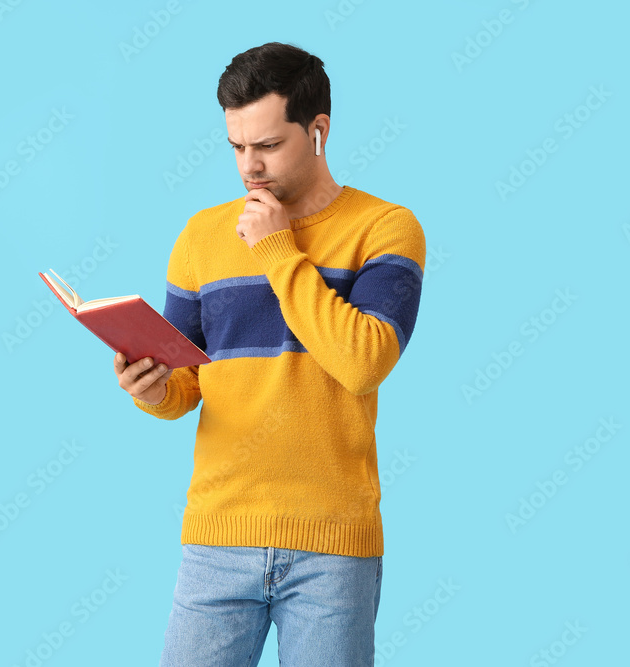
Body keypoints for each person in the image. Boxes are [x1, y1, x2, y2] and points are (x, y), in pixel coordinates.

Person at [113, 41, 425, 667]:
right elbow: (186, 384)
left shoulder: (386, 228)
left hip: (332, 548)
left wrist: (279, 251)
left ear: (318, 130)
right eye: (236, 147)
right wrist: (151, 388)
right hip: (216, 538)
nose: (249, 167)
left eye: (268, 146)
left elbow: (364, 362)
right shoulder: (202, 235)